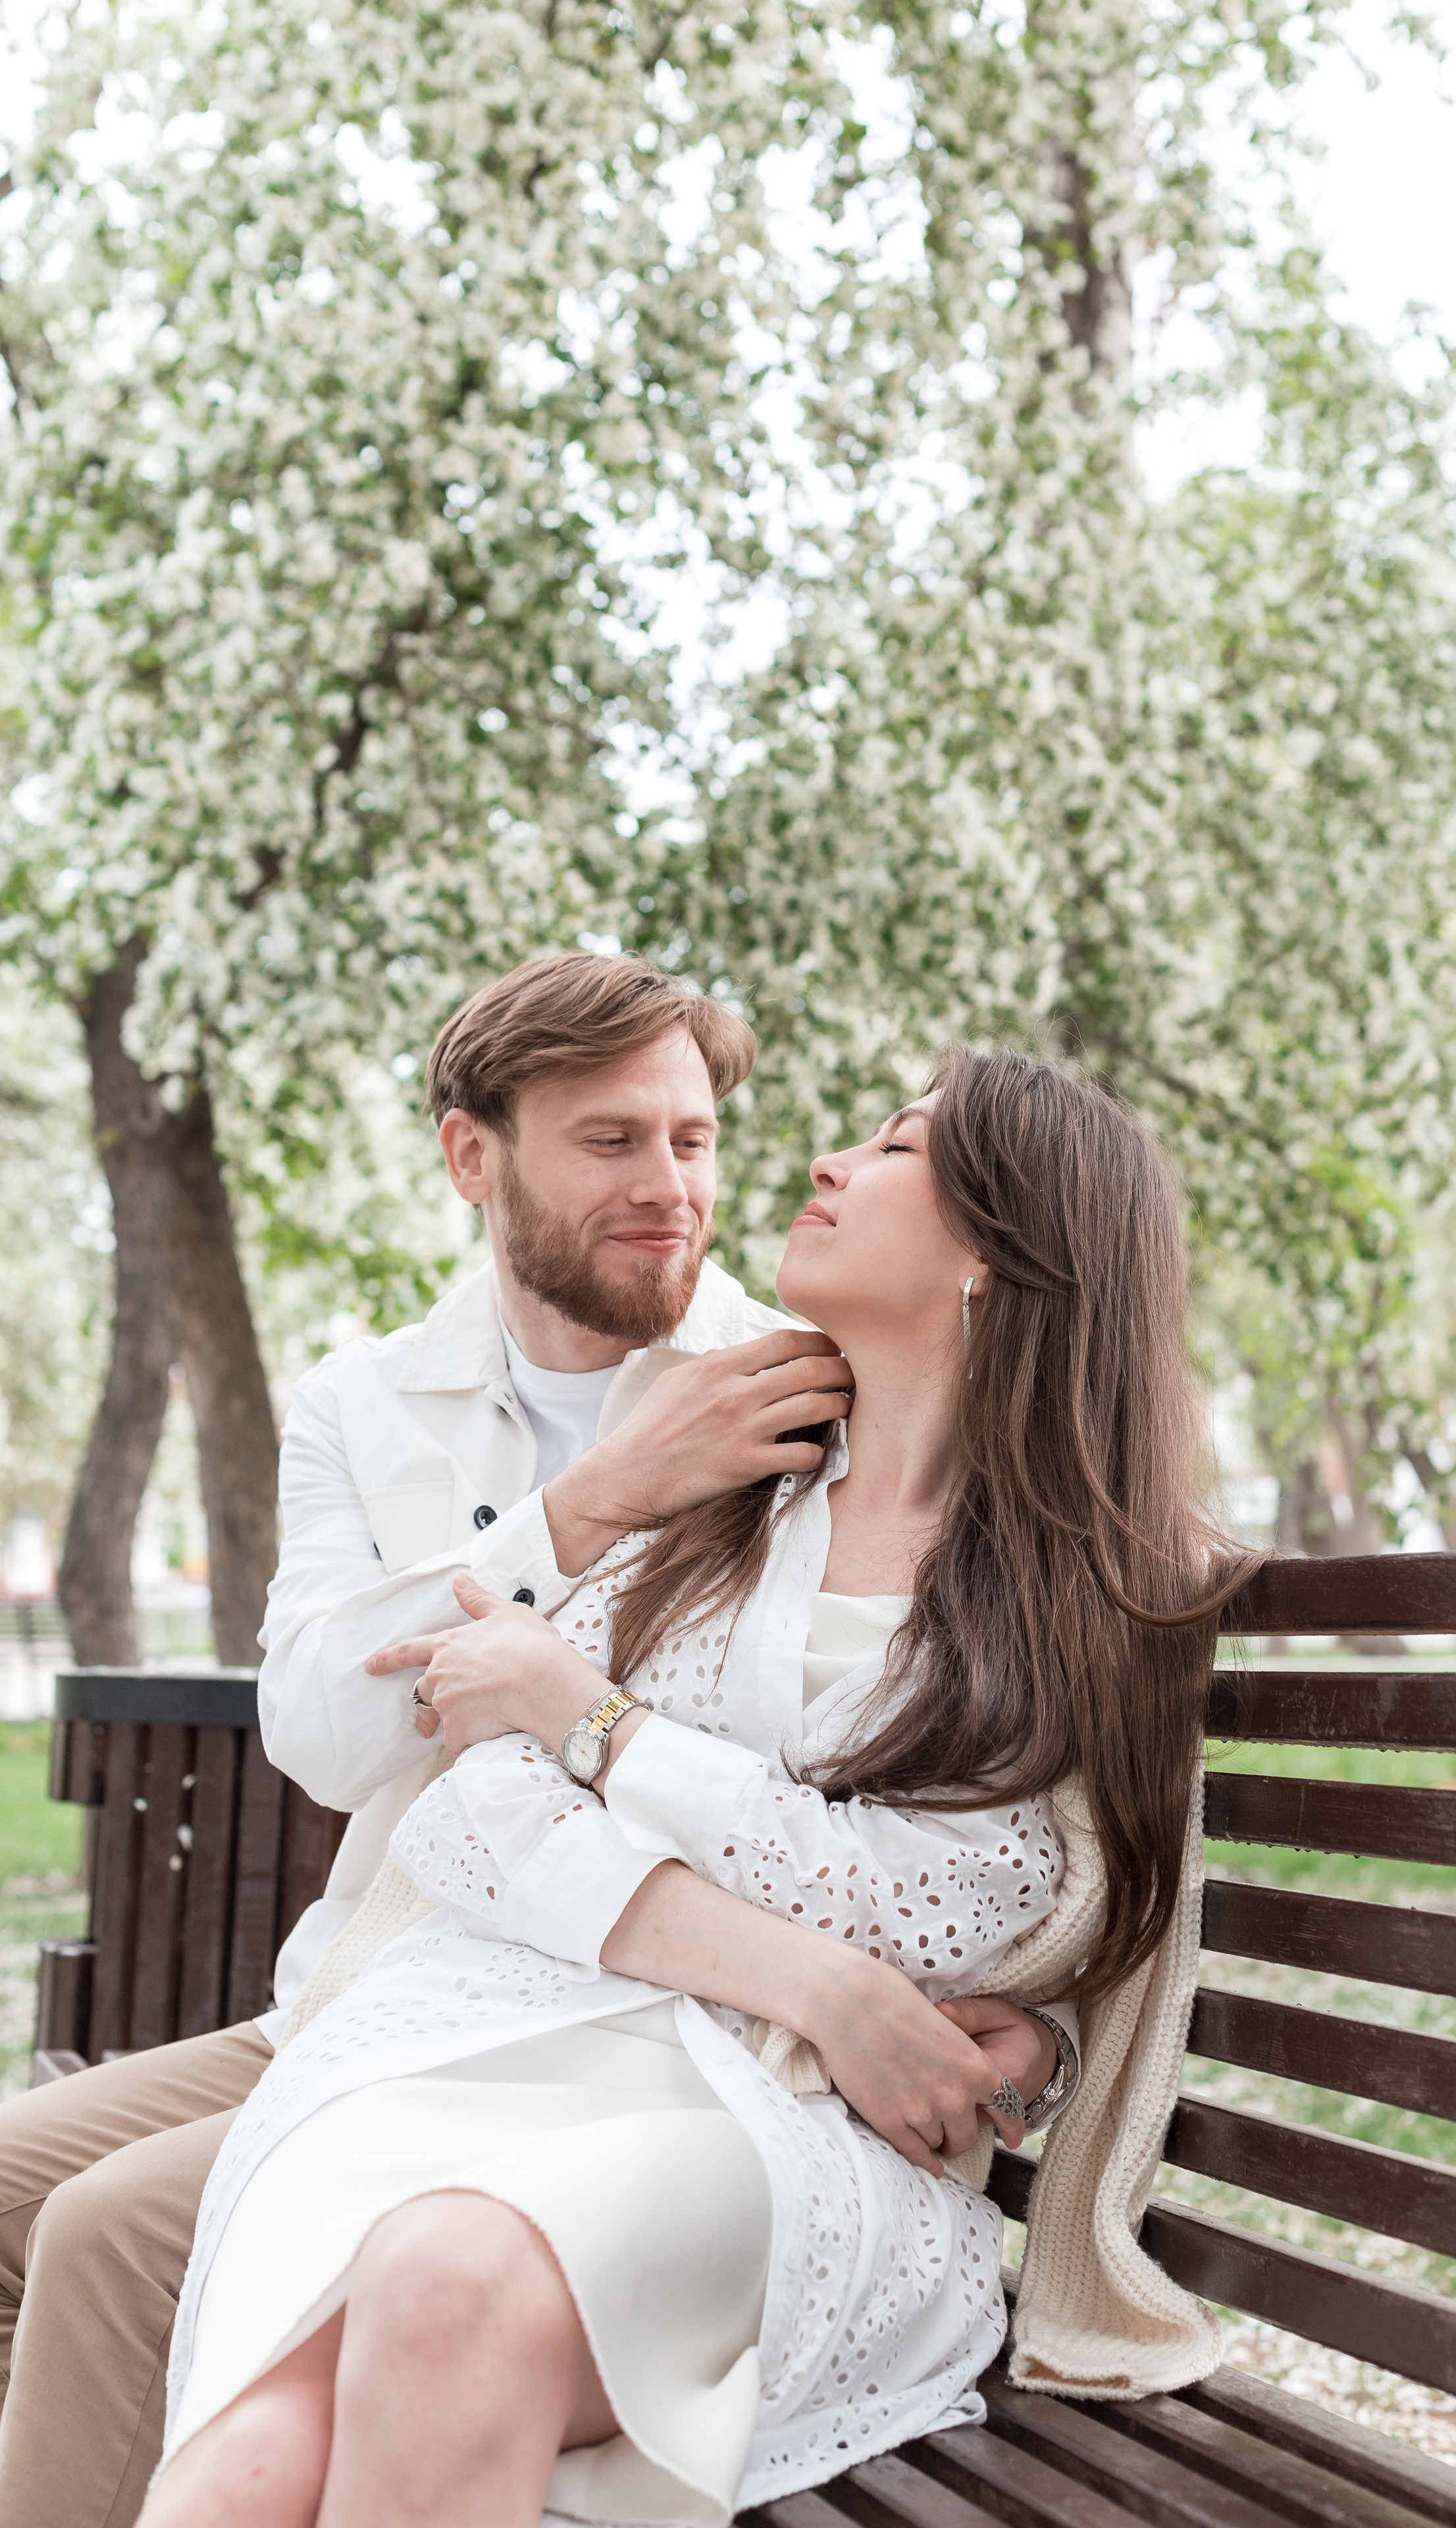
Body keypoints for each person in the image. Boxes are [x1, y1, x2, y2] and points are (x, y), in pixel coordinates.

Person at [140, 1047, 1254, 2528]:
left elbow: (964, 1914)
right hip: (508, 2045)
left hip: (793, 2129)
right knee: (251, 2458)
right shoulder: (738, 1500)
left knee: (447, 2273)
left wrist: (595, 1728)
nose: (827, 1165)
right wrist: (819, 1978)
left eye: (897, 1149)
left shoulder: (1093, 1583)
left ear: (996, 1248)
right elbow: (476, 1811)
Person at [0, 953, 1043, 2528]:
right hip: (371, 1981)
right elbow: (330, 1740)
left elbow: (993, 1770)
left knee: (101, 2237)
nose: (670, 1187)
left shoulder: (806, 1387)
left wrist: (1023, 2017)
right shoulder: (370, 1401)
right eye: (611, 1142)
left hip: (613, 2028)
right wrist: (588, 1505)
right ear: (472, 1157)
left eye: (692, 1140)